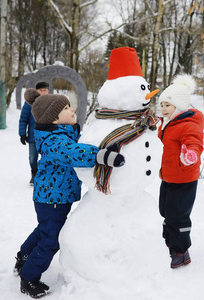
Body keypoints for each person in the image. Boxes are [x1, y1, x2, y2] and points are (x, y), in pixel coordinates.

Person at [14, 88, 125, 298]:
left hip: (54, 196)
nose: (72, 109)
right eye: (66, 108)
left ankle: (24, 256)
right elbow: (72, 153)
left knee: (44, 229)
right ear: (54, 119)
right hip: (52, 197)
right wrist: (102, 156)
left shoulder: (61, 132)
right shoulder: (55, 141)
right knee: (50, 240)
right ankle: (29, 277)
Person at [157, 74, 204, 269]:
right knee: (165, 210)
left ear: (179, 106)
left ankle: (181, 251)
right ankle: (170, 240)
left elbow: (195, 143)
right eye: (162, 105)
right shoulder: (167, 124)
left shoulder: (188, 125)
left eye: (168, 105)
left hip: (184, 179)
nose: (163, 108)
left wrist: (191, 155)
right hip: (168, 176)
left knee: (178, 216)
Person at [19, 81, 50, 185]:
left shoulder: (51, 102)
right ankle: (34, 173)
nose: (42, 92)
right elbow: (23, 119)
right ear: (37, 91)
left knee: (47, 158)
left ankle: (44, 176)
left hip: (47, 136)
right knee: (33, 159)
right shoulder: (29, 103)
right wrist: (22, 134)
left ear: (48, 91)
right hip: (33, 136)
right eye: (40, 90)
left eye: (44, 90)